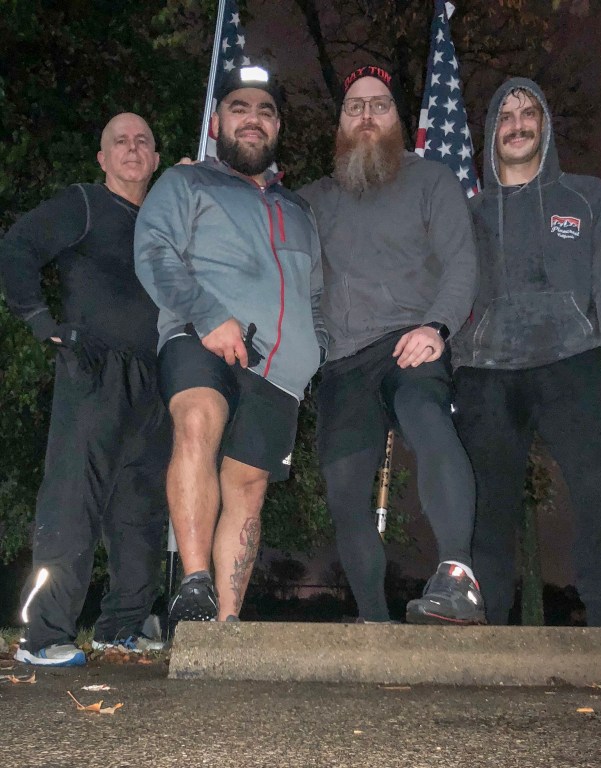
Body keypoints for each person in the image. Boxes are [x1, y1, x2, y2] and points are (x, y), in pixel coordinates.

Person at [134, 65, 327, 624]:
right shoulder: (186, 183)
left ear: (277, 127)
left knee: (249, 485)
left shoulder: (300, 210)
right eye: (238, 107)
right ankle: (195, 584)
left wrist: (314, 349)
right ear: (217, 122)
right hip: (200, 335)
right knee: (197, 420)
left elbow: (316, 294)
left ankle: (227, 624)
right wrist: (208, 315)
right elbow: (154, 251)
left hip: (279, 369)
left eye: (265, 111)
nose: (252, 118)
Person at [298, 64, 484, 625]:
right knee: (344, 493)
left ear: (398, 119)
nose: (366, 115)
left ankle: (457, 577)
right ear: (340, 122)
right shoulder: (311, 200)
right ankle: (374, 620)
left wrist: (437, 327)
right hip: (343, 362)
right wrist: (209, 176)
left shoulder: (432, 182)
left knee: (427, 416)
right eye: (354, 106)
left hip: (411, 342)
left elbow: (461, 263)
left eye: (379, 105)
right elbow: (256, 219)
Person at [451, 78, 601, 626]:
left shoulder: (585, 196)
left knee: (599, 490)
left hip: (576, 362)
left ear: (545, 124)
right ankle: (488, 625)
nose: (517, 124)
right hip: (487, 371)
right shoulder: (469, 212)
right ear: (491, 132)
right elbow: (449, 290)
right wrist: (458, 359)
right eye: (505, 116)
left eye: (528, 113)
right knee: (487, 506)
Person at [1, 113, 169, 667]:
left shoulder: (164, 220)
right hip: (95, 370)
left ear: (156, 158)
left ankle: (122, 626)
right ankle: (43, 636)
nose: (132, 148)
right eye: (120, 141)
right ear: (103, 158)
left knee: (141, 508)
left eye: (142, 141)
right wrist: (39, 320)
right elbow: (18, 245)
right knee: (73, 499)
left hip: (155, 378)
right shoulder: (85, 204)